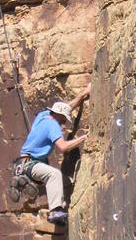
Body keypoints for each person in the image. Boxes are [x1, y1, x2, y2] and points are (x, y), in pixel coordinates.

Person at [19, 83, 91, 224]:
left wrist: (83, 94)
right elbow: (63, 147)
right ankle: (55, 211)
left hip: (23, 164)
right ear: (58, 116)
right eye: (64, 119)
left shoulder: (43, 116)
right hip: (31, 165)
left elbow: (67, 107)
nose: (64, 122)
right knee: (54, 175)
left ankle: (58, 207)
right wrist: (83, 138)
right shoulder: (53, 125)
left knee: (62, 180)